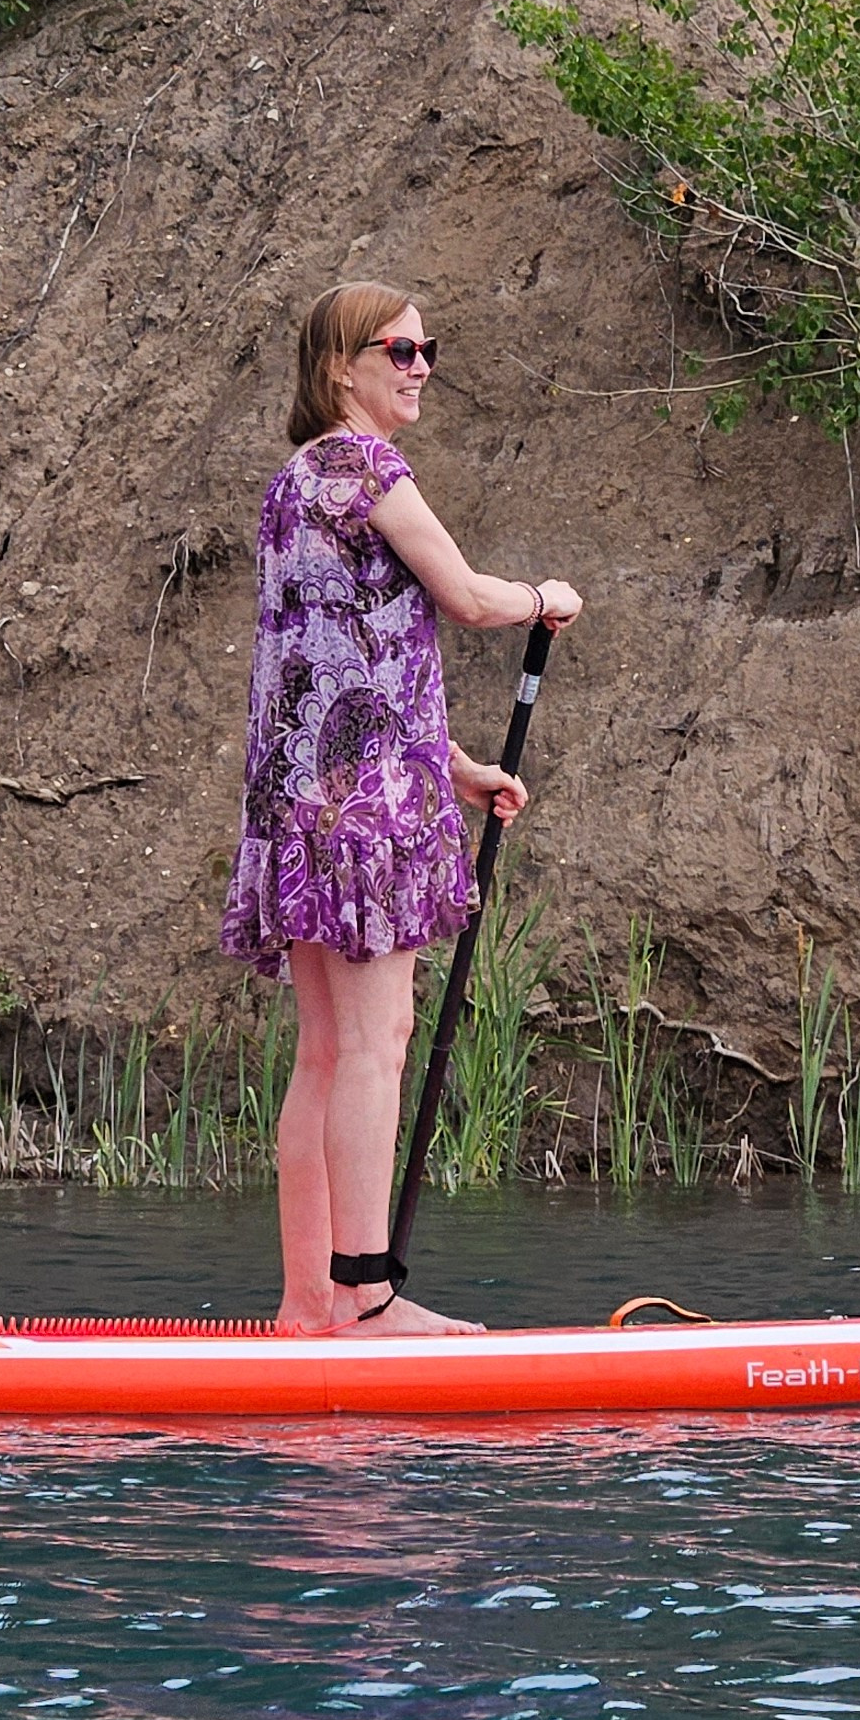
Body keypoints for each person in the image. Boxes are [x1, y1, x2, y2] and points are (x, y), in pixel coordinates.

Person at [221, 283, 582, 1335]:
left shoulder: (289, 484)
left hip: (302, 802)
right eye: (402, 349)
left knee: (326, 1052)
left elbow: (340, 660)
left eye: (429, 348)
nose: (421, 365)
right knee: (376, 1045)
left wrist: (456, 766)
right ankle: (367, 1299)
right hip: (362, 811)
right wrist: (542, 598)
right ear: (343, 366)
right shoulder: (364, 464)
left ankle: (303, 1305)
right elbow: (463, 598)